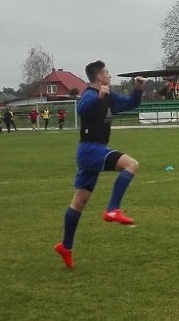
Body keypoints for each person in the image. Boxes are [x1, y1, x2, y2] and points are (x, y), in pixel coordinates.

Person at [54, 60, 146, 269]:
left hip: (93, 151)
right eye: (107, 73)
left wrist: (138, 90)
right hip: (91, 150)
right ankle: (113, 209)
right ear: (99, 77)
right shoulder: (89, 94)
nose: (110, 76)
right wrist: (99, 97)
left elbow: (130, 103)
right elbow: (82, 110)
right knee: (131, 164)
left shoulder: (110, 96)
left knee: (79, 202)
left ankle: (65, 247)